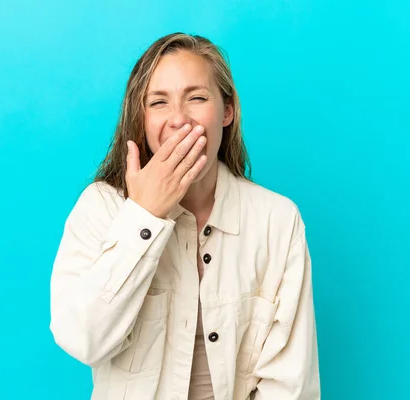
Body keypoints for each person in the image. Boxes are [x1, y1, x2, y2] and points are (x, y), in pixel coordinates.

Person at [49, 32, 321, 400]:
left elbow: (290, 385)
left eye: (196, 98)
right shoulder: (101, 207)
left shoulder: (277, 220)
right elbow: (83, 340)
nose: (179, 119)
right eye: (159, 102)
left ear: (227, 111)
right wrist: (145, 216)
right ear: (141, 119)